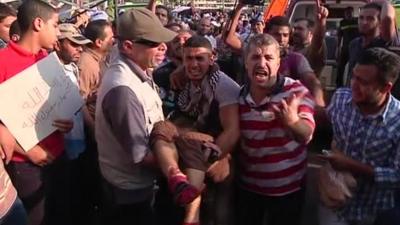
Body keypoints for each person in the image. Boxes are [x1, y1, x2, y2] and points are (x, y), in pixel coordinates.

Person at [95, 8, 176, 225]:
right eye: (153, 42)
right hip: (131, 196)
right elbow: (141, 156)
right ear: (128, 46)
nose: (163, 47)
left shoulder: (136, 66)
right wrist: (181, 164)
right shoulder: (124, 90)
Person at [152, 35, 240, 225]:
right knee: (163, 129)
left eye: (199, 58)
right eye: (189, 59)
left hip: (217, 154)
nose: (193, 64)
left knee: (219, 213)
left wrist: (212, 160)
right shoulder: (185, 77)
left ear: (212, 57)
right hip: (196, 151)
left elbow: (232, 131)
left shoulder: (223, 86)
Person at [0, 1, 73, 225]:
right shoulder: (2, 63)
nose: (58, 33)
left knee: (63, 212)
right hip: (25, 165)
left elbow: (57, 104)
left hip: (59, 153)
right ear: (38, 23)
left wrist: (66, 120)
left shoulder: (47, 61)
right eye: (56, 25)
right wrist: (28, 150)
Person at [236, 33, 315, 225]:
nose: (261, 63)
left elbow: (306, 134)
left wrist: (293, 122)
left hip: (286, 192)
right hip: (248, 190)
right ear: (246, 63)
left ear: (278, 64)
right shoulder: (237, 97)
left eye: (269, 58)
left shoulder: (296, 92)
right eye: (255, 57)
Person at [320, 47, 400, 225]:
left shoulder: (398, 121)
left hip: (372, 213)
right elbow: (325, 119)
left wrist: (352, 166)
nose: (354, 85)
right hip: (332, 207)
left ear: (386, 87)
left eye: (363, 81)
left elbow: (396, 176)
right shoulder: (340, 98)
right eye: (354, 77)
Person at [53, 23, 92, 225]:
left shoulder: (72, 67)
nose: (80, 49)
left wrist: (92, 127)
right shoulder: (47, 71)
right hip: (60, 149)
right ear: (58, 45)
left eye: (81, 44)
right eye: (74, 44)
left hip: (79, 141)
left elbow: (78, 103)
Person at [266, 15, 325, 106]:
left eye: (300, 29)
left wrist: (319, 106)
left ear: (310, 33)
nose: (281, 39)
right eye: (277, 34)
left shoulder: (296, 57)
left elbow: (313, 83)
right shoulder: (257, 54)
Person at [345, 1, 397, 86]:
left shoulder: (385, 42)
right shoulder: (354, 44)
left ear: (380, 22)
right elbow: (351, 74)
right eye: (361, 18)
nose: (364, 22)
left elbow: (387, 18)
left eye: (370, 18)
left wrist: (385, 2)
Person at [292, 6, 329, 76]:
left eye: (300, 29)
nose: (295, 32)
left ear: (311, 33)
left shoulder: (312, 51)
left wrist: (321, 21)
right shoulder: (290, 49)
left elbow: (318, 39)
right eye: (295, 28)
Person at [336, 7, 359, 87]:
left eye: (350, 12)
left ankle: (350, 85)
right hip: (345, 48)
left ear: (352, 13)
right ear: (345, 14)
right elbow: (339, 37)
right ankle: (338, 86)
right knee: (340, 68)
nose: (348, 14)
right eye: (347, 13)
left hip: (355, 48)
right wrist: (337, 49)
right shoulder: (342, 23)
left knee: (352, 68)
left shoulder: (357, 21)